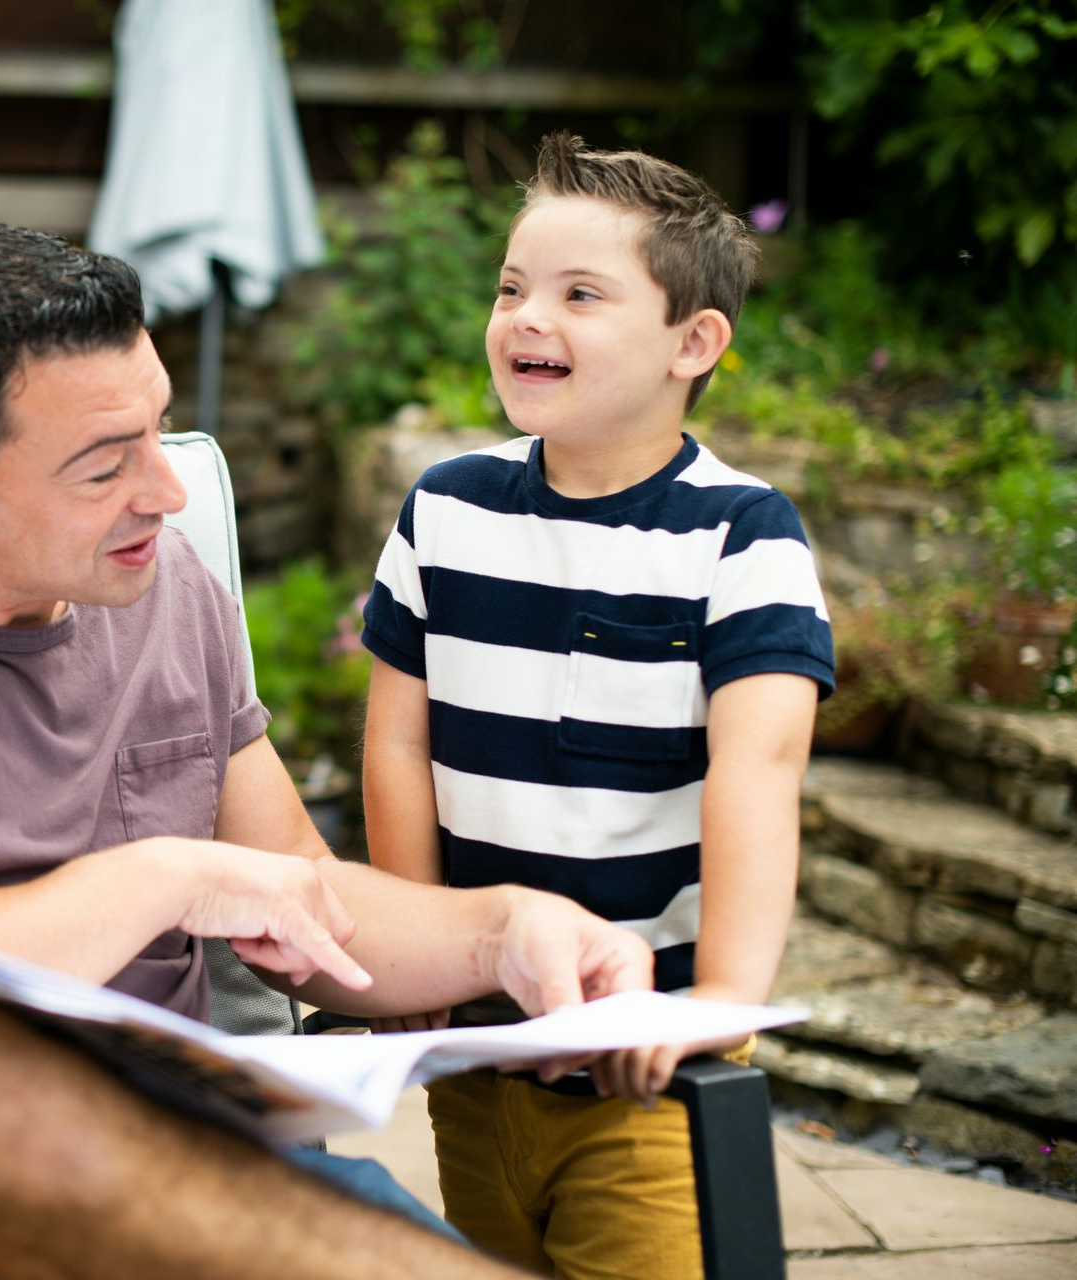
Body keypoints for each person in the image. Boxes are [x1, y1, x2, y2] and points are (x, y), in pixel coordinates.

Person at [0, 222, 655, 1280]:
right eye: (104, 464)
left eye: (159, 431)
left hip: (189, 1162)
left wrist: (505, 927)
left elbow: (306, 894)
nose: (165, 491)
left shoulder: (165, 590)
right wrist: (166, 876)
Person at [361, 131, 835, 1279]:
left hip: (643, 1069)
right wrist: (412, 948)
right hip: (479, 1047)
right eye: (512, 286)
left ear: (692, 341)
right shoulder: (446, 510)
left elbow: (756, 774)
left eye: (580, 294)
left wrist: (718, 997)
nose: (528, 317)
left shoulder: (741, 532)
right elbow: (394, 739)